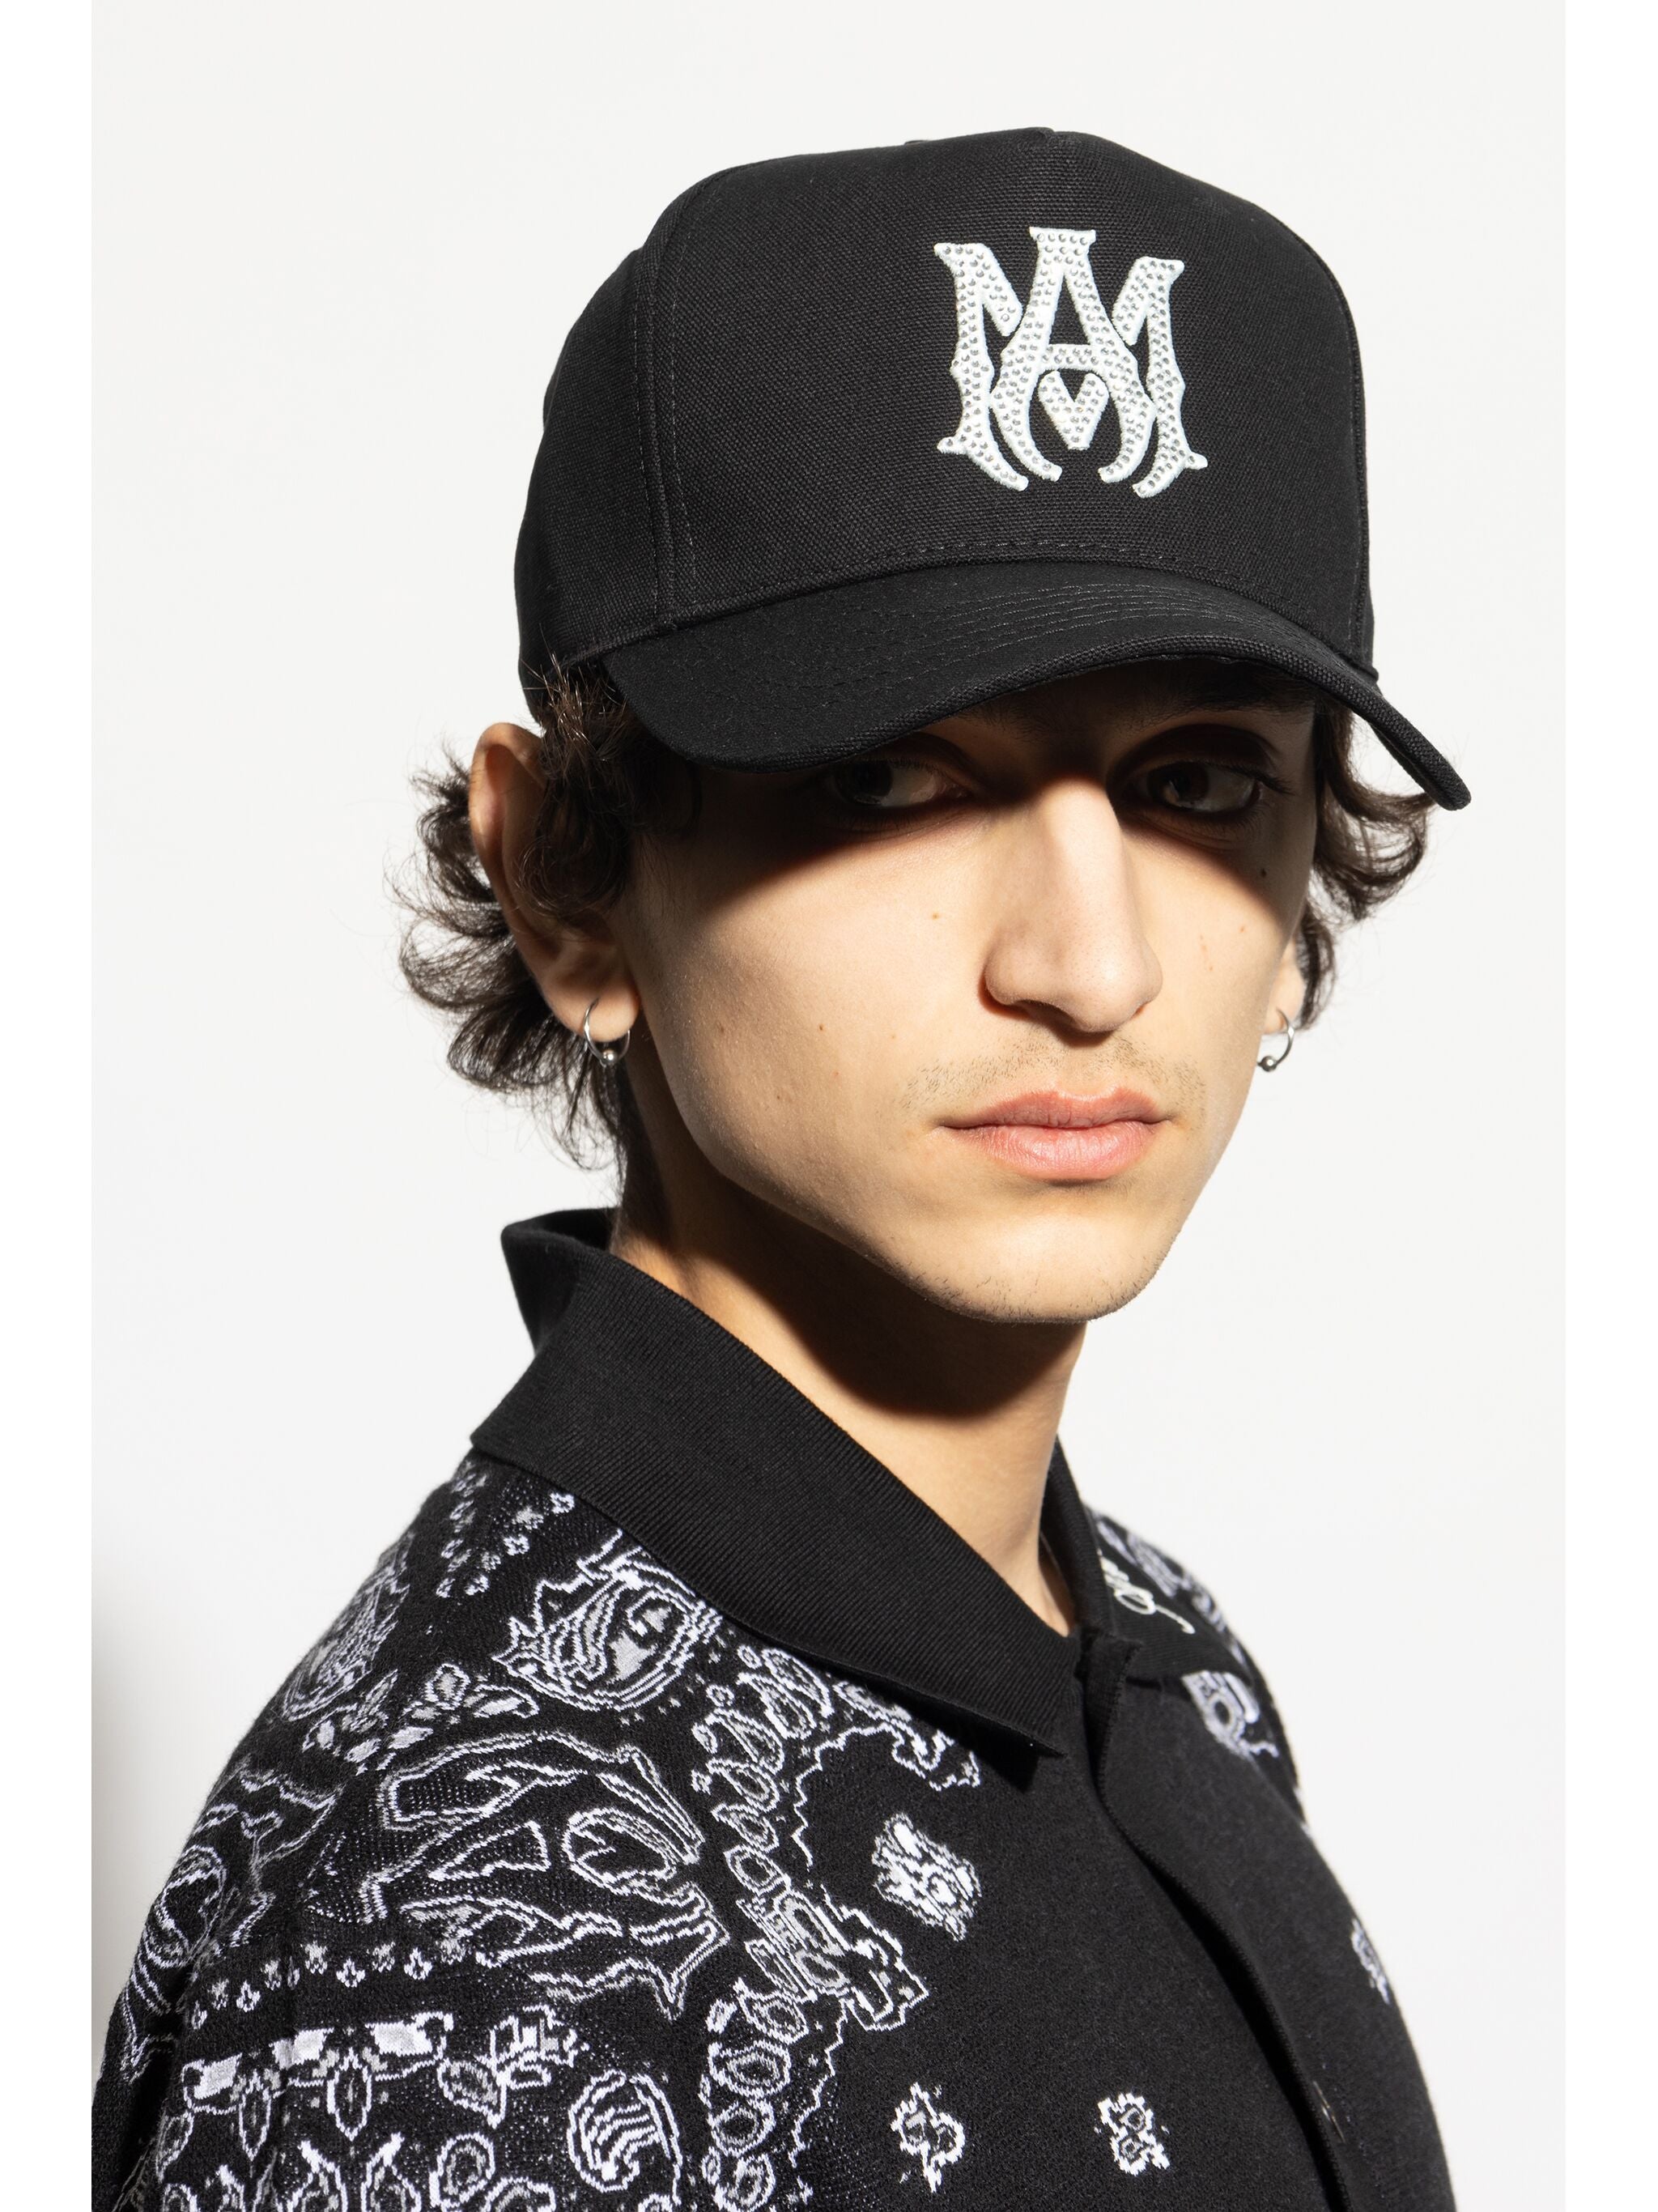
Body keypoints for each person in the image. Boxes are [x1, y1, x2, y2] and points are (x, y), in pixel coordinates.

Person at [93, 126, 1468, 2210]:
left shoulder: (1166, 1659)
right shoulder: (475, 1978)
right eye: (893, 777)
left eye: (1198, 784)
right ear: (570, 882)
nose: (1088, 963)